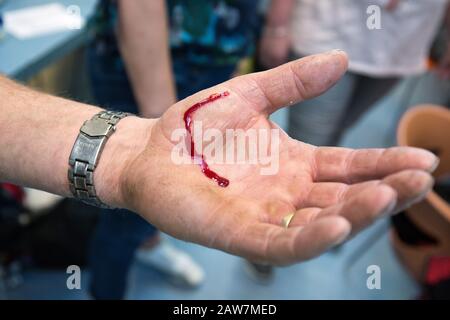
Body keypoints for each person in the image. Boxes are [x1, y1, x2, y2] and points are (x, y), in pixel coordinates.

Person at [0, 52, 439, 281]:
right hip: (161, 84)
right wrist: (135, 148)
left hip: (204, 71)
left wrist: (128, 151)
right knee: (123, 234)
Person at [87, 0, 262, 298]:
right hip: (156, 61)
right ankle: (106, 292)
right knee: (129, 204)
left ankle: (148, 243)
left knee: (145, 209)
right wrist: (163, 121)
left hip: (214, 52)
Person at [259, 0, 450, 146]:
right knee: (309, 141)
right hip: (329, 31)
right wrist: (277, 27)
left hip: (402, 44)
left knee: (334, 135)